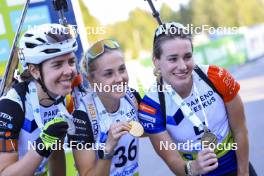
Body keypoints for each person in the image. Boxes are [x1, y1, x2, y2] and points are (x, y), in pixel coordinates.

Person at [139, 22, 251, 176]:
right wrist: (194, 168)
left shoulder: (217, 76)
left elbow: (240, 130)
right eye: (173, 59)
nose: (183, 66)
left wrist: (244, 173)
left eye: (187, 56)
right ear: (156, 61)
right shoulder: (151, 106)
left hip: (237, 166)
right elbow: (172, 160)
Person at [0, 23, 78, 175]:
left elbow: (56, 155)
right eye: (57, 64)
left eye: (71, 61)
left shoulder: (61, 98)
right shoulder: (11, 107)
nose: (69, 71)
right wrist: (42, 145)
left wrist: (50, 143)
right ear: (34, 71)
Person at [68, 39, 142, 176]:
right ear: (91, 80)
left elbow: (152, 130)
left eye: (122, 69)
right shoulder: (81, 118)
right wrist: (108, 148)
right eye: (108, 73)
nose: (119, 79)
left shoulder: (132, 98)